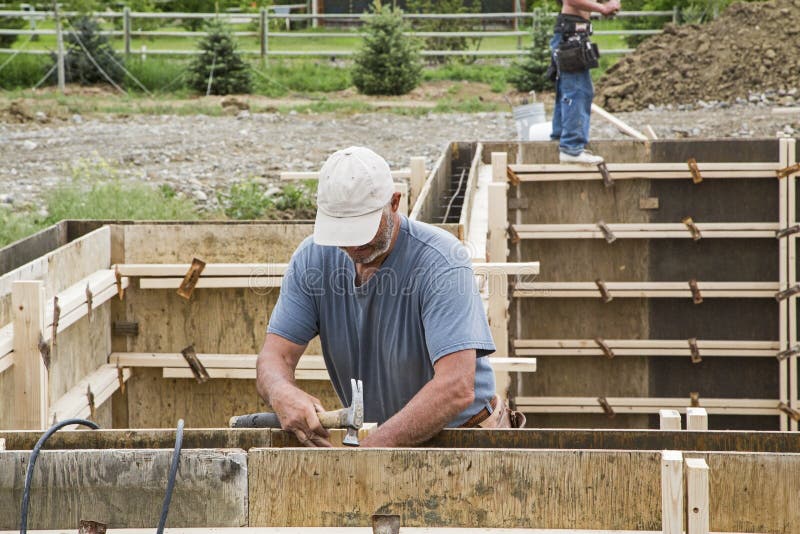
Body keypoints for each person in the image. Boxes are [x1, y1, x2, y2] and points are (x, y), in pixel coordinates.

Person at [255, 146, 525, 448]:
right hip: (383, 441)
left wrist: (368, 454)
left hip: (464, 440)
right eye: (340, 232)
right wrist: (282, 392)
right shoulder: (312, 260)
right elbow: (274, 356)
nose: (351, 246)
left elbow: (456, 386)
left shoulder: (441, 261)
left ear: (394, 202)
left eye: (361, 230)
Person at [550, 0, 621, 164]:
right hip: (570, 33)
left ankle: (560, 138)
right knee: (578, 91)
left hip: (572, 32)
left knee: (568, 90)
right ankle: (571, 148)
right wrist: (603, 8)